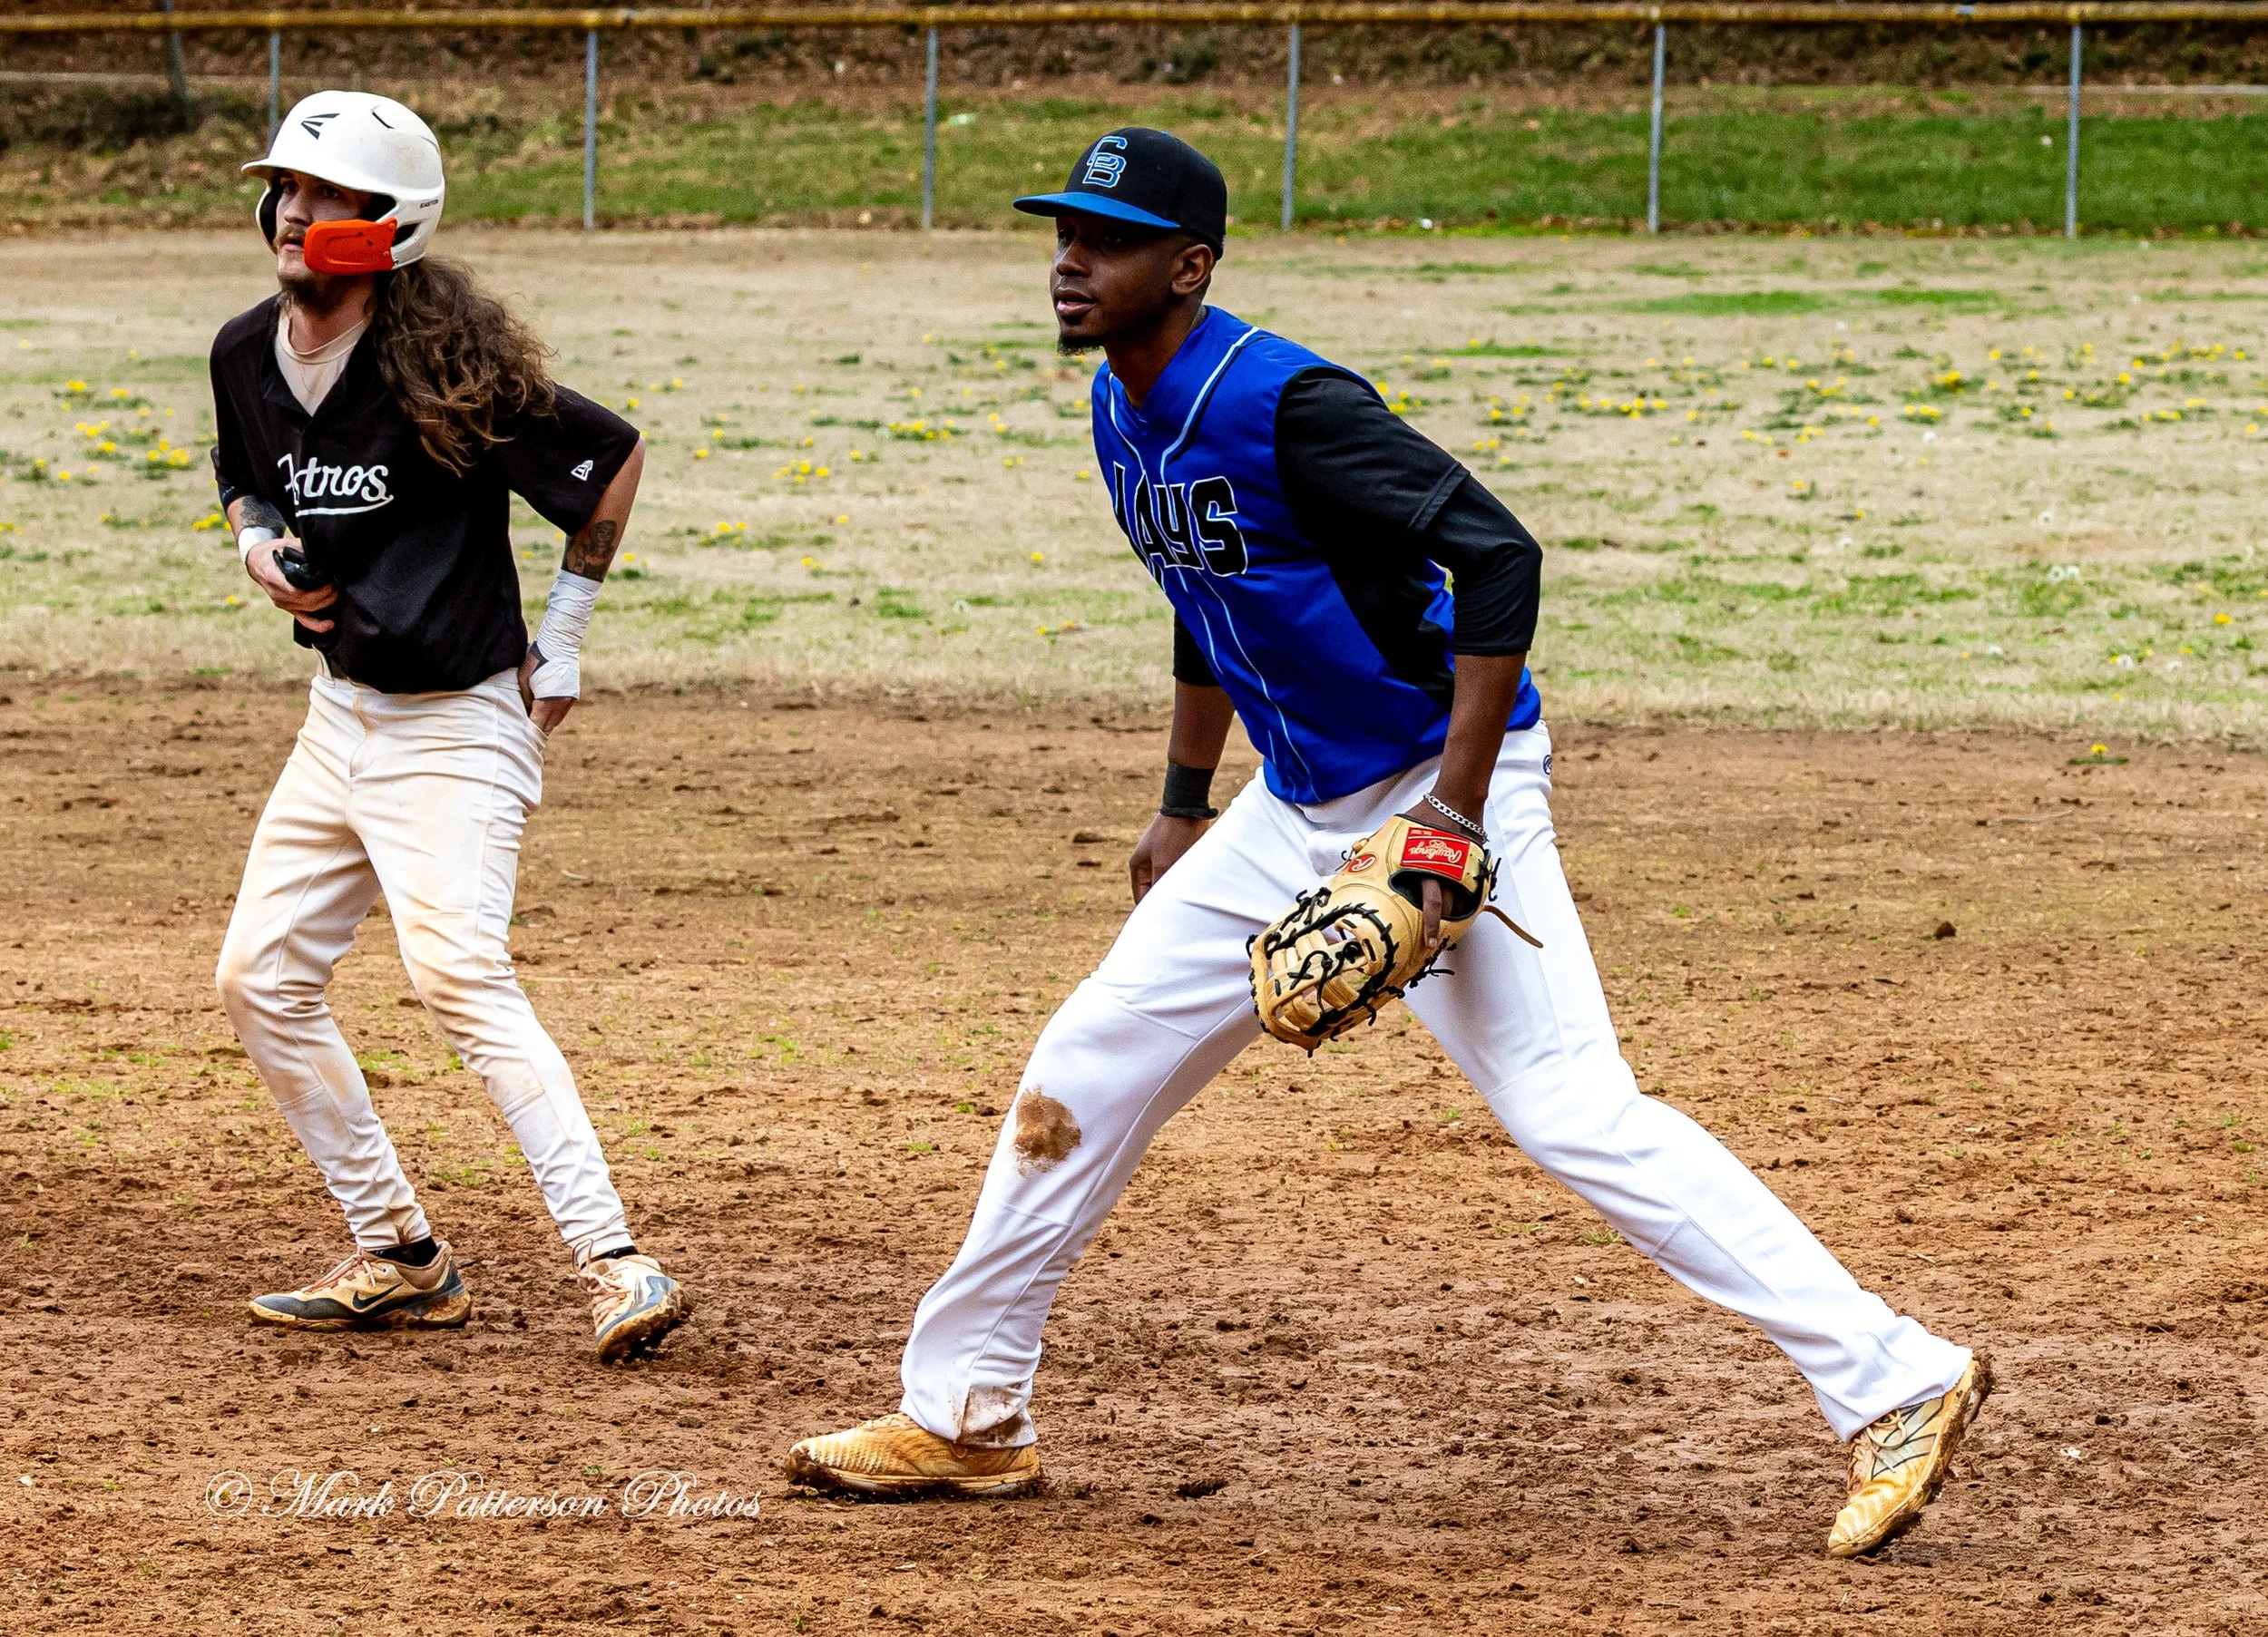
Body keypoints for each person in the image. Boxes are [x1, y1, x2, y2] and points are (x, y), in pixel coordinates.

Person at [784, 128, 1989, 1556]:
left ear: (1191, 266)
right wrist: (1183, 800)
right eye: (1062, 234)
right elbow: (1208, 592)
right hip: (1290, 802)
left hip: (1441, 778)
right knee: (1083, 1067)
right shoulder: (1123, 405)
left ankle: (1897, 1379)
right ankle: (969, 1416)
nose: (1067, 262)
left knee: (1571, 1111)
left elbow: (1500, 556)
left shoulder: (1288, 402)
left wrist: (1452, 819)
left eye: (1103, 242)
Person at [208, 90, 686, 1362]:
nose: (295, 214)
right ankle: (403, 1255)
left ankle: (615, 1260)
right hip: (338, 717)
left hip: (457, 726)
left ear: (391, 226)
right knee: (260, 981)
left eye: (329, 199)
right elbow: (243, 476)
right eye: (288, 192)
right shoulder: (243, 352)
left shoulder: (446, 367)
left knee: (458, 972)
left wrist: (569, 635)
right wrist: (262, 550)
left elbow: (613, 457)